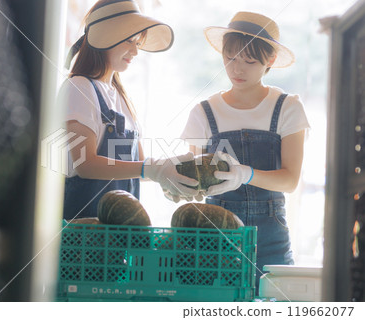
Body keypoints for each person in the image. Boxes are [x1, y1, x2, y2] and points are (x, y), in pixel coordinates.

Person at [180, 12, 310, 289]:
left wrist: (245, 174)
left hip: (271, 238)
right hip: (215, 235)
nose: (237, 69)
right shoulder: (203, 112)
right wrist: (179, 183)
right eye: (230, 59)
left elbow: (289, 180)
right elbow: (195, 180)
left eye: (249, 61)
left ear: (270, 61)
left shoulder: (287, 108)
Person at [60, 0, 199, 221]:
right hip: (84, 234)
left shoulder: (120, 96)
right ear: (105, 37)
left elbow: (139, 165)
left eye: (137, 43)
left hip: (119, 234)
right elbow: (85, 164)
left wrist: (168, 175)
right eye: (129, 41)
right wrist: (152, 169)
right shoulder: (79, 87)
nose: (135, 51)